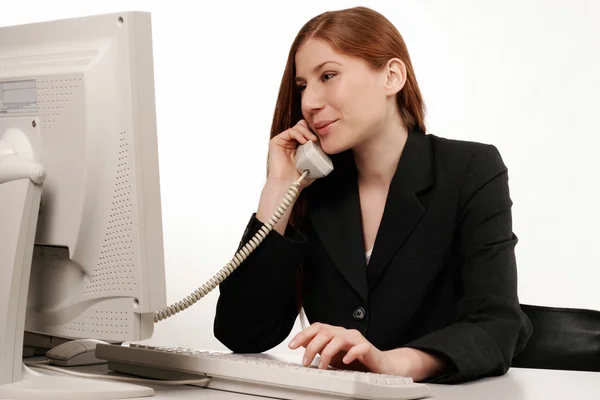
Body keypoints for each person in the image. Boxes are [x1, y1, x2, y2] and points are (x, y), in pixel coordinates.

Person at [213, 5, 532, 384]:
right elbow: (243, 334)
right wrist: (280, 188)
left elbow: (497, 324)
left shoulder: (469, 169)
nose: (309, 102)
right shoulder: (314, 187)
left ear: (392, 76)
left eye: (328, 76)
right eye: (302, 86)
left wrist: (394, 363)